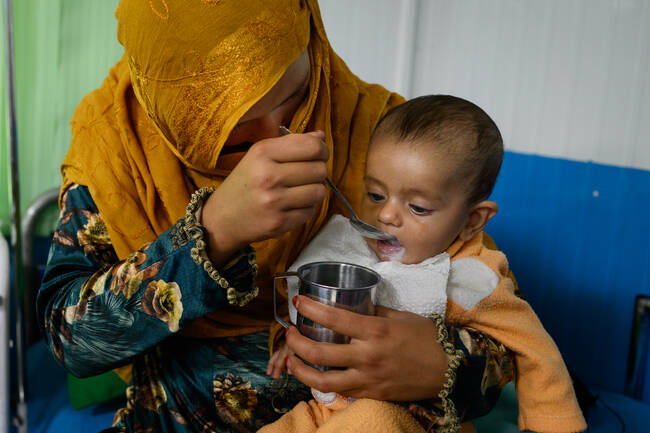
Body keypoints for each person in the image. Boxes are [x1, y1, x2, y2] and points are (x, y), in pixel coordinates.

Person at [38, 1, 517, 432]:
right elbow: (71, 344)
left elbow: (501, 325)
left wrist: (441, 363)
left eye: (299, 101)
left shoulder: (384, 134)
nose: (281, 148)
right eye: (237, 141)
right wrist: (214, 230)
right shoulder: (116, 153)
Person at [262, 95, 586, 433]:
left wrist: (552, 421)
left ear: (472, 220)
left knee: (371, 423)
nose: (386, 215)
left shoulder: (472, 275)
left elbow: (533, 345)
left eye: (417, 207)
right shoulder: (349, 246)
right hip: (324, 409)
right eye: (375, 195)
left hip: (411, 422)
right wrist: (289, 340)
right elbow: (305, 301)